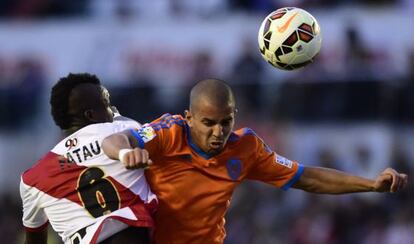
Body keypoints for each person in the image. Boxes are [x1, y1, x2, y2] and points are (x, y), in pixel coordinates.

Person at [102, 78, 408, 244]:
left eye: (226, 121)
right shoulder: (168, 132)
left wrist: (370, 184)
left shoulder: (247, 148)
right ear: (189, 117)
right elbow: (113, 141)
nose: (218, 131)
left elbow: (305, 177)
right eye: (208, 122)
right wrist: (126, 153)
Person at [19, 73, 157, 244]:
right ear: (91, 115)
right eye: (107, 105)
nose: (113, 110)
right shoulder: (123, 129)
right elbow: (157, 132)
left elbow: (34, 240)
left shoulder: (31, 179)